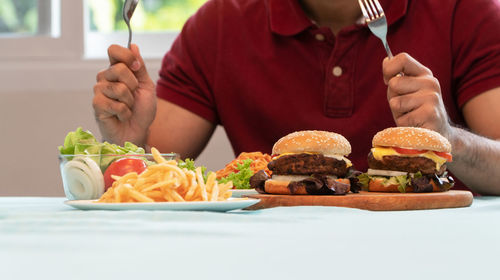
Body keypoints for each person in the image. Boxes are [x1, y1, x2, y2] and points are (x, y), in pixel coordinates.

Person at [93, 0, 500, 195]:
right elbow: (150, 174)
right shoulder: (219, 24)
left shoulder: (467, 12)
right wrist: (127, 134)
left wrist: (447, 137)